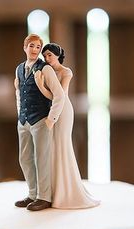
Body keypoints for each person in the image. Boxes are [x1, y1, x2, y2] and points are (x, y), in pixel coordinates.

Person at [35, 43, 100, 209]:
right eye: (45, 55)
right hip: (49, 110)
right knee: (52, 147)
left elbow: (60, 96)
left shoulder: (65, 72)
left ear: (57, 55)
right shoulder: (45, 71)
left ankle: (67, 191)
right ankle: (53, 190)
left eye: (50, 55)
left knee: (62, 145)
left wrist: (41, 87)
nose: (47, 58)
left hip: (63, 111)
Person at [14, 35, 65, 211]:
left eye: (38, 47)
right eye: (32, 46)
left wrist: (51, 119)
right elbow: (19, 93)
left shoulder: (45, 69)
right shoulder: (19, 69)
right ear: (25, 47)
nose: (35, 50)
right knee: (25, 159)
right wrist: (19, 113)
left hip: (41, 119)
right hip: (24, 121)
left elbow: (59, 95)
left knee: (42, 159)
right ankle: (32, 193)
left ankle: (44, 197)